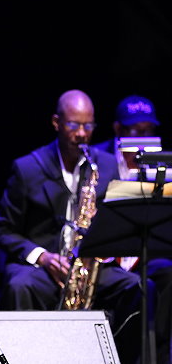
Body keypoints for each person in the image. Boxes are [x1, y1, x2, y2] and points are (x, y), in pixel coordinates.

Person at [0, 89, 143, 363]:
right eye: (74, 125)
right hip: (42, 267)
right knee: (19, 285)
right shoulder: (27, 168)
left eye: (88, 126)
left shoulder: (108, 165)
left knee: (136, 287)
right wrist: (43, 257)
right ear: (56, 123)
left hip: (89, 265)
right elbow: (3, 230)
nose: (82, 134)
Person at [93, 94, 172, 364]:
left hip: (141, 254)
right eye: (136, 131)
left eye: (148, 131)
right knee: (137, 286)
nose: (143, 138)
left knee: (168, 273)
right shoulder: (97, 158)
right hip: (105, 258)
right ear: (118, 130)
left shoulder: (161, 163)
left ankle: (157, 355)